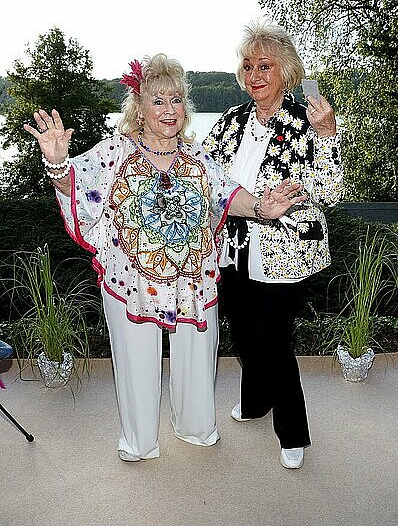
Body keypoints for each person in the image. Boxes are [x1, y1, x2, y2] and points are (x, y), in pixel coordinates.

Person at [24, 53, 305, 462]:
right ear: (139, 108)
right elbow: (76, 182)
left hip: (193, 280)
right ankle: (139, 441)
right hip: (131, 282)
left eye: (176, 100)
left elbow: (227, 195)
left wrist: (263, 208)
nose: (169, 110)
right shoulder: (114, 151)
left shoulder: (199, 156)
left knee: (197, 355)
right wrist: (55, 160)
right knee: (136, 362)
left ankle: (195, 427)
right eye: (158, 101)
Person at [204, 22, 344, 469]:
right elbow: (204, 175)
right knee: (244, 334)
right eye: (248, 66)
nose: (255, 74)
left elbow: (331, 190)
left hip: (285, 252)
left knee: (274, 338)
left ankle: (293, 430)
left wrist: (328, 136)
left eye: (265, 65)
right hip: (233, 247)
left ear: (286, 72)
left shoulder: (308, 122)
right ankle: (254, 402)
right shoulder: (229, 121)